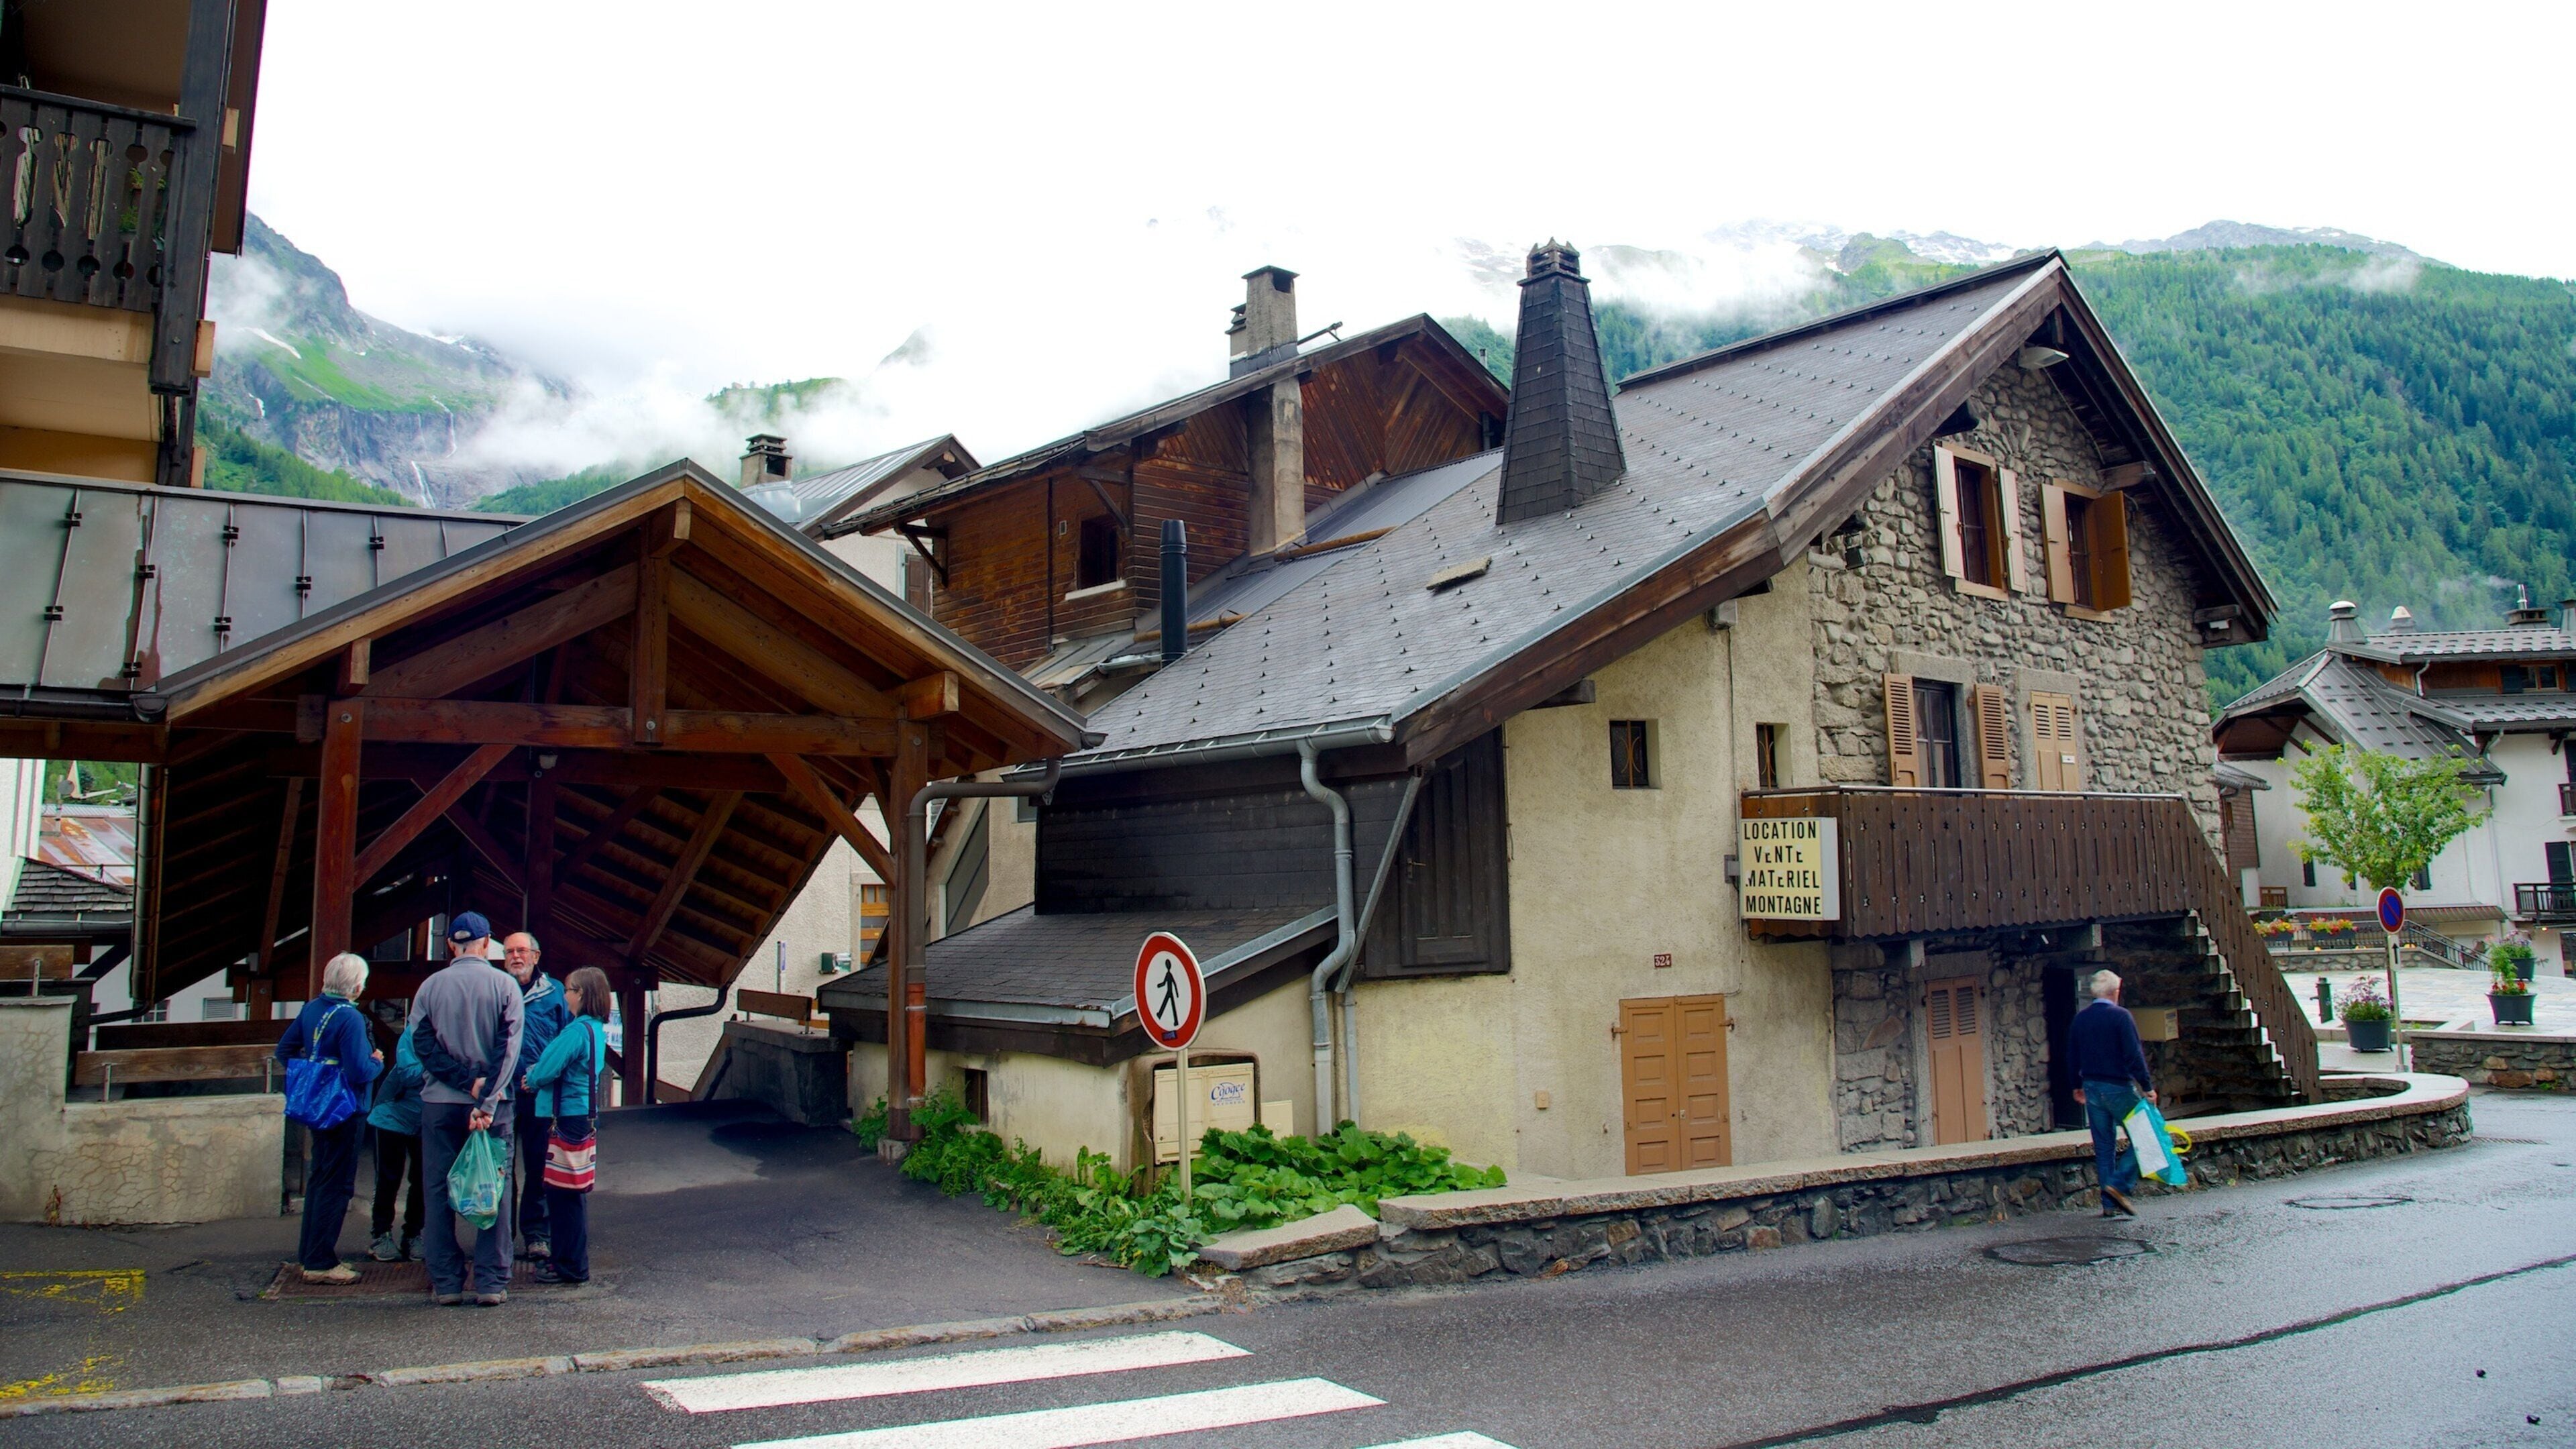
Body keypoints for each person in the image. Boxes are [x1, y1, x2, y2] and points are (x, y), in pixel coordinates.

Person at [410, 912, 524, 1307]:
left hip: (440, 1103)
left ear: (450, 945)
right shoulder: (505, 986)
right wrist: (486, 1097)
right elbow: (508, 1050)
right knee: (495, 1188)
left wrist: (462, 1081)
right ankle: (491, 1281)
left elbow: (422, 1045)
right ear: (487, 941)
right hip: (494, 1109)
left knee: (439, 1189)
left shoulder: (429, 987)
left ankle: (446, 1282)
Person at [273, 952, 383, 1284]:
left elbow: (284, 1051)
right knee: (338, 1186)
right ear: (357, 985)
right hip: (345, 1109)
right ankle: (321, 1262)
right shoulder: (349, 1018)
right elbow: (359, 1070)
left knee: (320, 1179)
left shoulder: (312, 1008)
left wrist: (314, 1072)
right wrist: (377, 1059)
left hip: (317, 1105)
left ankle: (309, 1254)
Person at [524, 965, 611, 1285]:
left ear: (582, 995)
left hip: (566, 1117)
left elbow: (545, 1069)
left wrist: (530, 1077)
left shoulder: (575, 1032)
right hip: (581, 1115)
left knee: (563, 1197)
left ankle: (570, 1266)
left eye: (569, 990)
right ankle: (569, 1263)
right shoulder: (595, 1029)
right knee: (572, 1194)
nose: (565, 996)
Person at [501, 931, 568, 1263]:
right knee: (500, 1166)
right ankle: (500, 1237)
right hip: (501, 1093)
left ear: (536, 956)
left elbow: (567, 1040)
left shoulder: (555, 993)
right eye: (510, 951)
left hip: (539, 1094)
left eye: (522, 951)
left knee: (539, 1165)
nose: (516, 956)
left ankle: (536, 1235)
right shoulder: (496, 989)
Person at [2070, 969, 2157, 1219]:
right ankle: (2118, 1185)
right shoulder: (2121, 1017)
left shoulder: (2081, 1019)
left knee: (2104, 1146)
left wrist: (2076, 1085)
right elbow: (2133, 1056)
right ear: (2115, 992)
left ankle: (2109, 1204)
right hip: (2118, 1087)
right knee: (2146, 1137)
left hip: (2092, 1087)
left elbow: (2072, 1054)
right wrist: (2147, 1087)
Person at [365, 1016, 426, 1262]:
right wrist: (442, 1066)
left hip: (425, 1118)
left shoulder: (456, 1030)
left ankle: (413, 1234)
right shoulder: (413, 1032)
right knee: (389, 1178)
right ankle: (381, 1234)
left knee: (423, 1179)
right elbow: (409, 1074)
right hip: (392, 1115)